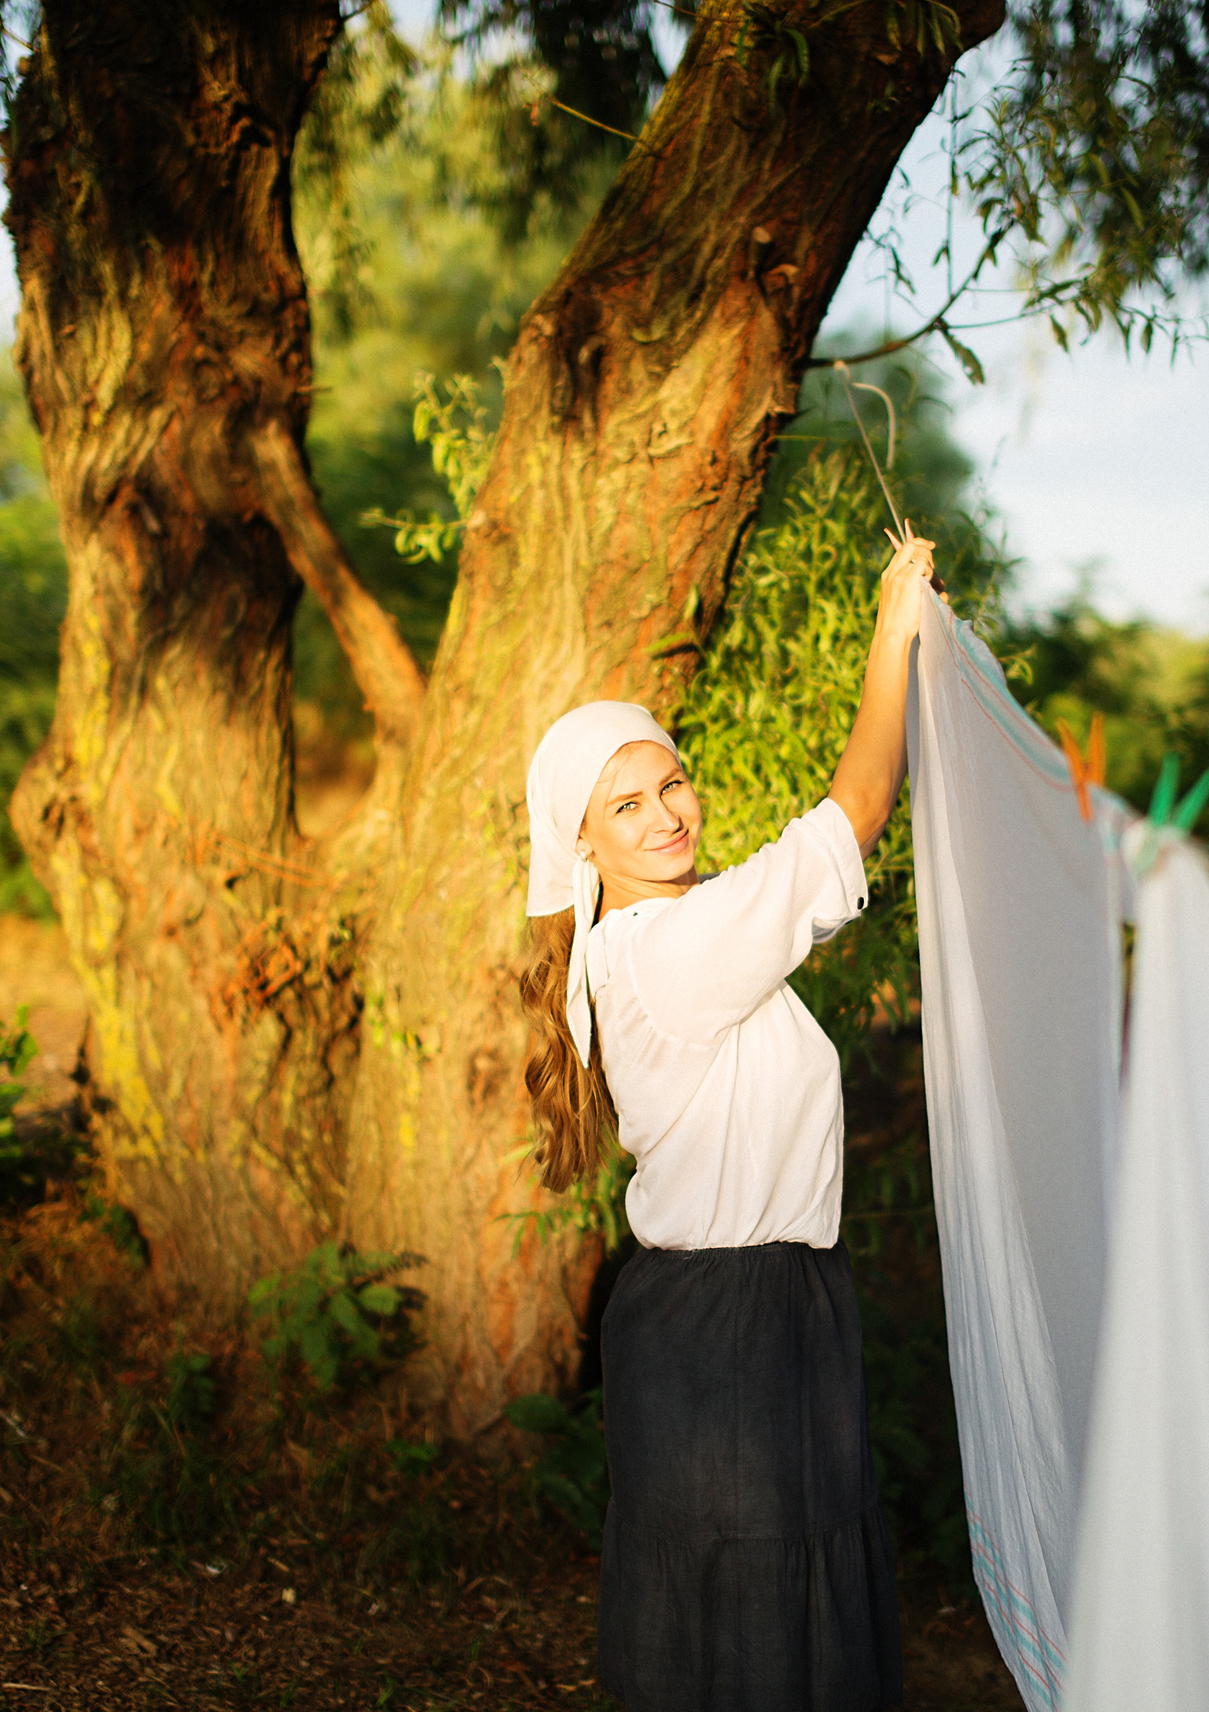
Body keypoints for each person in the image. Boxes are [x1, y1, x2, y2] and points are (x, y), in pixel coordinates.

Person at [517, 530, 942, 1712]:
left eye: (672, 782)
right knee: (754, 1627)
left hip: (762, 1306)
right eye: (626, 804)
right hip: (729, 1327)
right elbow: (855, 809)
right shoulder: (664, 948)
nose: (664, 814)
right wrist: (891, 630)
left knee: (770, 1608)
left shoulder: (673, 933)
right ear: (584, 843)